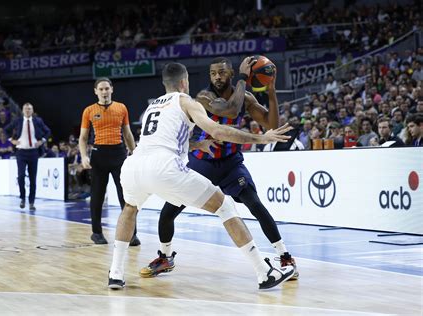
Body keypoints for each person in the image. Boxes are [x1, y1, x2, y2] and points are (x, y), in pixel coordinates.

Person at [108, 61, 295, 290]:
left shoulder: (152, 107)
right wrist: (261, 139)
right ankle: (264, 273)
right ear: (184, 82)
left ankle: (116, 273)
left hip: (134, 166)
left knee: (129, 209)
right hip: (165, 167)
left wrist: (197, 142)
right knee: (224, 206)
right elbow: (217, 130)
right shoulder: (188, 100)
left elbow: (163, 138)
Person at [79, 77, 139, 246]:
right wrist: (84, 156)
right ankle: (96, 233)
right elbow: (83, 138)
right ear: (95, 91)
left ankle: (132, 234)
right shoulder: (89, 111)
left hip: (119, 154)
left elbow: (127, 134)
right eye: (101, 89)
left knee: (126, 196)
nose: (104, 92)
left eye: (107, 88)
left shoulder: (121, 108)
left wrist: (134, 153)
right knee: (97, 196)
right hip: (98, 155)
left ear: (112, 89)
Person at [4, 103, 51, 211]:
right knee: (21, 176)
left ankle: (31, 202)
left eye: (29, 109)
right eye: (25, 109)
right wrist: (12, 140)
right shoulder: (18, 120)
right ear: (22, 110)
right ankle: (22, 198)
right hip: (21, 152)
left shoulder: (38, 121)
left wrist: (42, 141)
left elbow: (48, 131)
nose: (27, 111)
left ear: (32, 110)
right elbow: (6, 130)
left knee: (33, 178)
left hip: (33, 152)